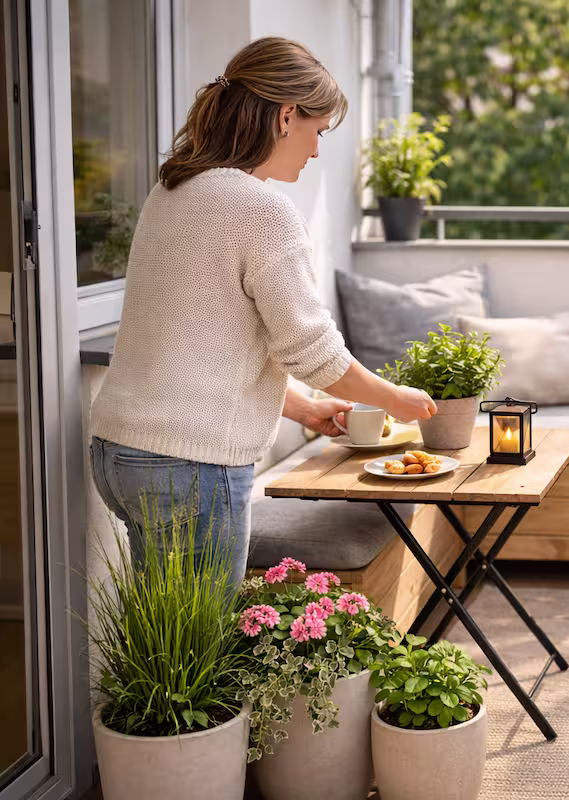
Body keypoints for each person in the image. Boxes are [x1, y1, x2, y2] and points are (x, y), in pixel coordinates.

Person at [89, 37, 437, 581]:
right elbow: (314, 352)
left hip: (122, 453)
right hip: (190, 465)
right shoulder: (261, 210)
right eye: (318, 131)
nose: (316, 151)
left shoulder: (173, 190)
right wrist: (396, 399)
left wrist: (300, 409)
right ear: (286, 116)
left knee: (166, 632)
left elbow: (200, 342)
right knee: (200, 634)